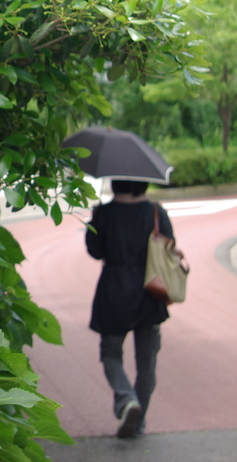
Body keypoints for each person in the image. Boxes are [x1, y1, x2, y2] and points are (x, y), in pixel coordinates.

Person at [85, 179, 174, 439]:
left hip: (113, 291)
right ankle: (138, 421)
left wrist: (94, 220)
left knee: (111, 355)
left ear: (115, 183)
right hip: (150, 291)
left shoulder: (104, 213)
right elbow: (169, 247)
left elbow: (94, 251)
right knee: (147, 364)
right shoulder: (156, 212)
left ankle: (126, 401)